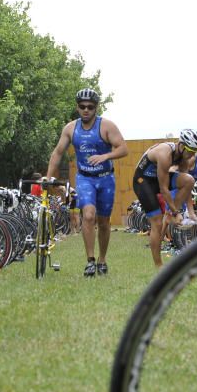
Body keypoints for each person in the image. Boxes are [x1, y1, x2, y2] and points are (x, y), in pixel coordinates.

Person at [46, 88, 128, 277]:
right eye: (82, 107)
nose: (86, 110)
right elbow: (58, 152)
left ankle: (102, 259)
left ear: (96, 108)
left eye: (90, 107)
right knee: (88, 215)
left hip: (106, 177)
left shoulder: (106, 126)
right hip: (84, 178)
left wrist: (106, 155)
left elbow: (123, 148)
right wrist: (49, 177)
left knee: (104, 221)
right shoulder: (70, 129)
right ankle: (90, 261)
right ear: (77, 107)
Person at [132, 129, 197, 268]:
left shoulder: (184, 157)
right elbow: (164, 190)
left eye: (195, 151)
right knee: (157, 224)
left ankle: (170, 215)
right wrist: (177, 212)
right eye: (191, 150)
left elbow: (186, 186)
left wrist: (190, 211)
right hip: (143, 181)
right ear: (182, 146)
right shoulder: (165, 154)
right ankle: (159, 265)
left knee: (189, 180)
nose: (193, 155)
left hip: (157, 179)